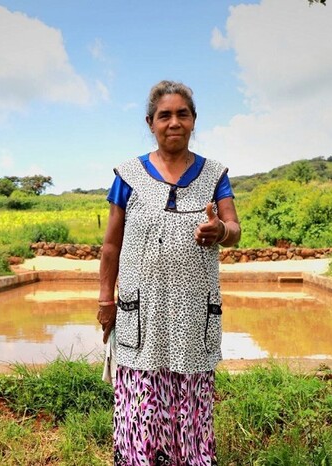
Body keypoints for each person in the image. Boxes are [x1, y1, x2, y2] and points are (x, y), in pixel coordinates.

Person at [97, 80, 241, 466]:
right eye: (165, 115)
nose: (174, 122)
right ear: (150, 122)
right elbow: (111, 245)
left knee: (190, 404)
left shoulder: (215, 174)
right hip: (141, 312)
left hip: (194, 315)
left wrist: (220, 231)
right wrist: (105, 299)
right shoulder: (128, 175)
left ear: (194, 121)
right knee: (140, 404)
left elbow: (235, 230)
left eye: (182, 114)